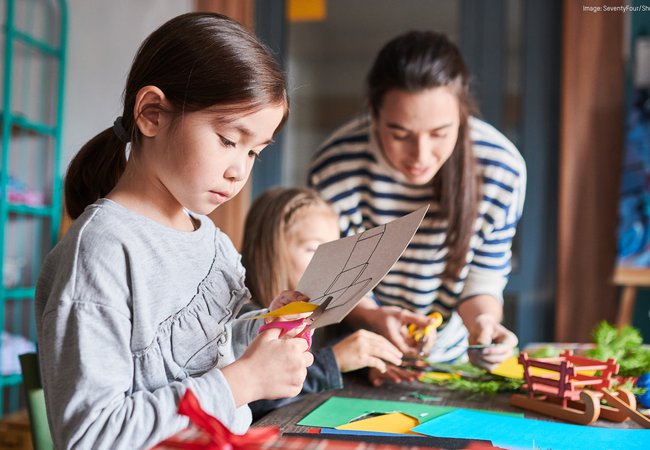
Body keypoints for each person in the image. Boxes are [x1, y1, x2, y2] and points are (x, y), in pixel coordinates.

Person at [35, 13, 314, 449]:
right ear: (151, 114)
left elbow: (209, 350)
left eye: (255, 152)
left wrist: (267, 330)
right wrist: (243, 381)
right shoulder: (101, 251)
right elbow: (90, 437)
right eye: (227, 139)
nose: (239, 170)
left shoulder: (213, 242)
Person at [309, 30, 526, 384]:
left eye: (440, 133)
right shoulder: (337, 167)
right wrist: (374, 320)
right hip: (366, 356)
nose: (421, 156)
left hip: (453, 361)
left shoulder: (501, 169)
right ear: (373, 114)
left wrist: (484, 324)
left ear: (464, 115)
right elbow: (340, 282)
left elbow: (483, 278)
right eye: (399, 134)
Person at [240, 187, 403, 418]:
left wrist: (367, 363)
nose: (332, 265)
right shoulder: (245, 322)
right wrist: (333, 362)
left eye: (336, 251)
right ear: (264, 252)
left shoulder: (322, 314)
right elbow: (254, 400)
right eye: (313, 249)